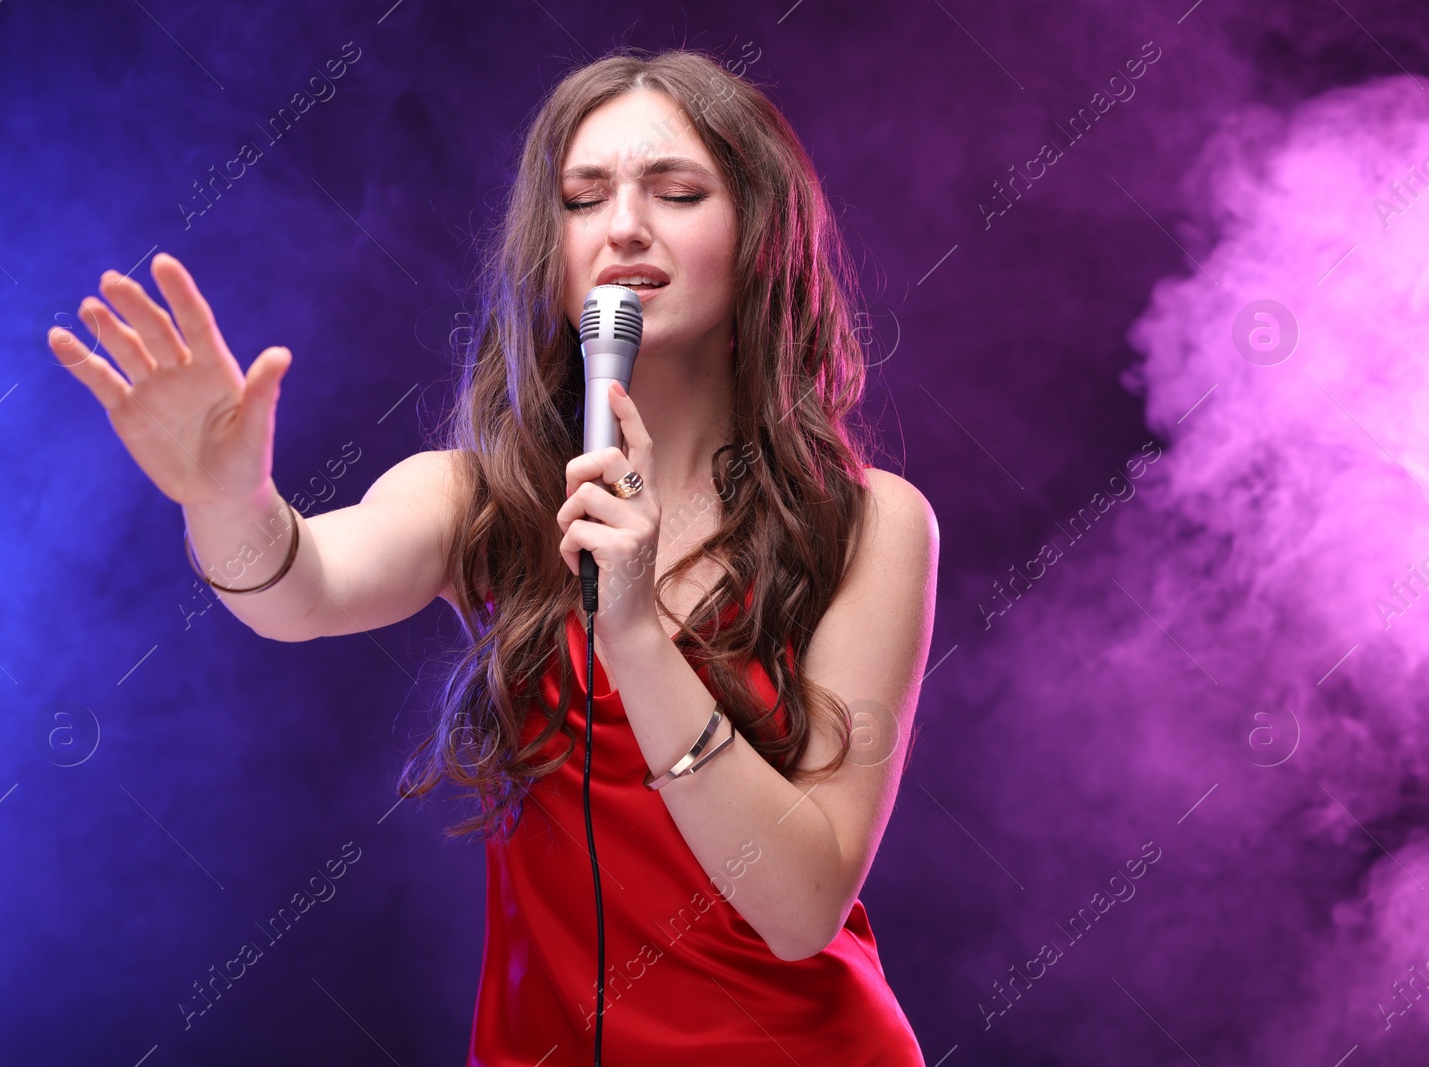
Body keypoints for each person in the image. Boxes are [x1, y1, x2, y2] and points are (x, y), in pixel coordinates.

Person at [49, 45, 937, 1066]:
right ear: (548, 252)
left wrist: (636, 631)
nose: (624, 227)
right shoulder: (482, 499)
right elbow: (298, 589)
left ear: (758, 237)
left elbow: (801, 909)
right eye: (583, 197)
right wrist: (226, 498)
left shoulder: (868, 525)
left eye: (678, 191)